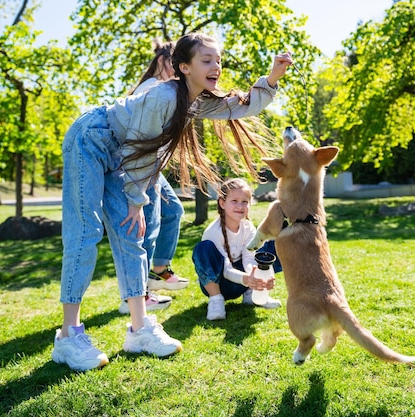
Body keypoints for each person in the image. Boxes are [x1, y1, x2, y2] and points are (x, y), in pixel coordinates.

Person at [51, 32, 293, 371]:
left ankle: (139, 330)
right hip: (91, 139)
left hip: (119, 154)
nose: (216, 67)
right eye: (207, 60)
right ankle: (68, 337)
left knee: (132, 236)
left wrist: (272, 77)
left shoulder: (196, 100)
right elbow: (139, 146)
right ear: (184, 67)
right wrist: (137, 199)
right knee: (86, 233)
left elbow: (239, 106)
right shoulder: (164, 95)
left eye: (218, 61)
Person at [117, 40, 188, 315]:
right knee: (147, 226)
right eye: (174, 61)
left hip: (154, 166)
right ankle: (135, 295)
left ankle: (158, 270)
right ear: (161, 61)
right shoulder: (154, 89)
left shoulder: (165, 89)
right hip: (143, 167)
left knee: (173, 210)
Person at [192, 178, 283, 321]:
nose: (240, 206)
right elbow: (226, 269)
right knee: (203, 248)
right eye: (234, 201)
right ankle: (216, 301)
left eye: (244, 202)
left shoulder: (248, 227)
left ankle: (251, 294)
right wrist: (246, 278)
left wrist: (258, 276)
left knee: (276, 242)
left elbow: (249, 258)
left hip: (241, 283)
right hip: (220, 284)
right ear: (222, 203)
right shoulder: (213, 232)